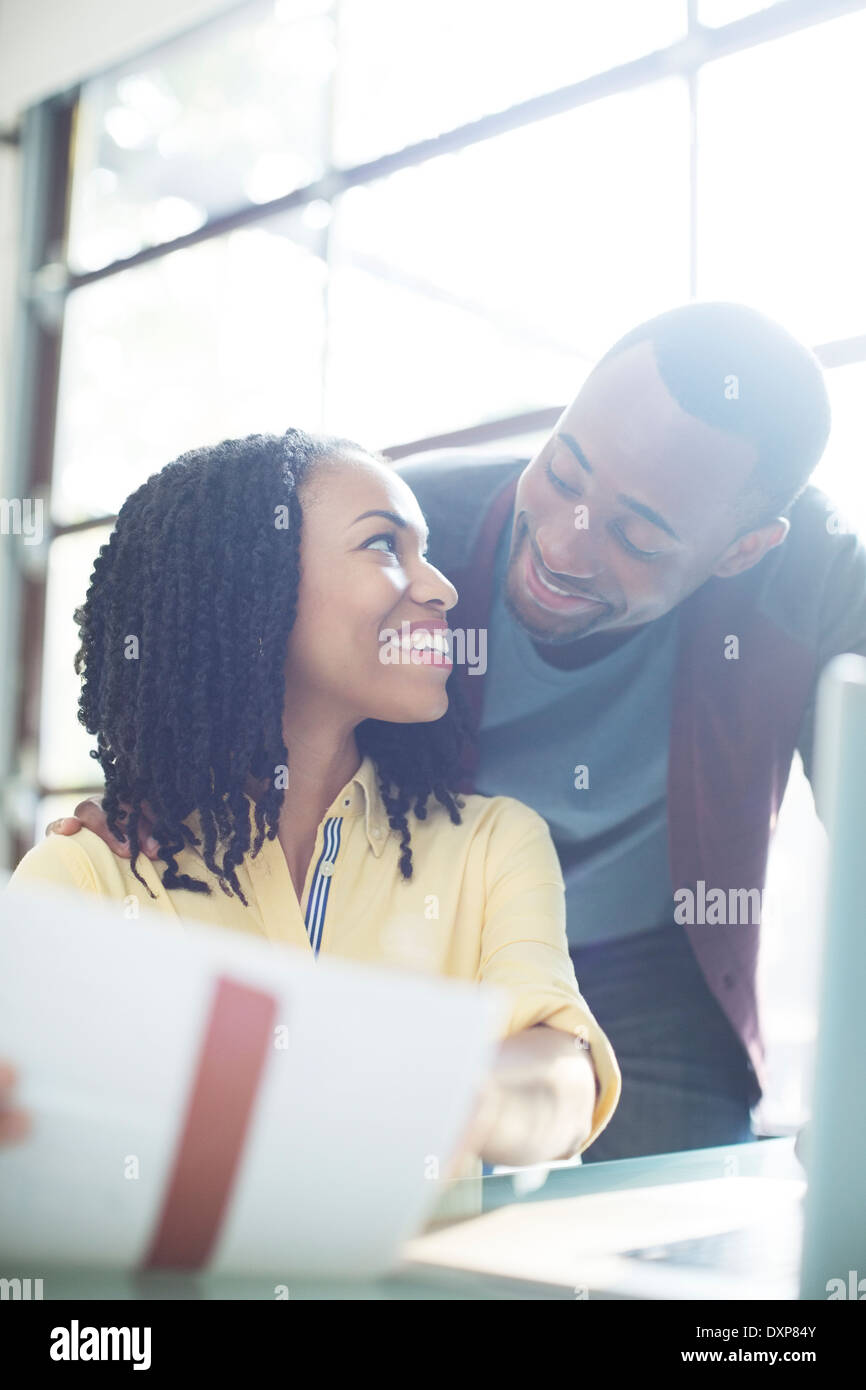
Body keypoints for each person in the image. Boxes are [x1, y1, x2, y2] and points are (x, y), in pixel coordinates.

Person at [52, 299, 853, 1162]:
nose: (561, 547)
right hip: (424, 929)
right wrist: (156, 788)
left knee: (664, 1242)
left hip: (653, 960)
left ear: (742, 548)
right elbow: (220, 652)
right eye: (565, 473)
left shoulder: (815, 579)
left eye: (633, 536)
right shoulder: (412, 528)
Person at [5, 428, 620, 1174]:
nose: (441, 588)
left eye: (424, 550)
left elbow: (564, 1075)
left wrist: (437, 1101)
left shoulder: (494, 846)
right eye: (385, 546)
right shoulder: (91, 875)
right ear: (248, 585)